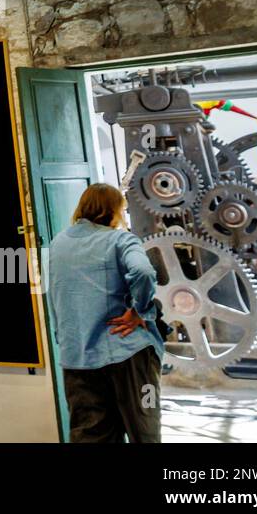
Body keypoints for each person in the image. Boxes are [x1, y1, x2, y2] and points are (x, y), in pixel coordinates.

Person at [47, 183, 165, 442]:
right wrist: (141, 311)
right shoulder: (120, 239)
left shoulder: (58, 243)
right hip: (130, 358)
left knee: (91, 435)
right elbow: (143, 272)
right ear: (115, 210)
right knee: (145, 428)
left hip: (78, 359)